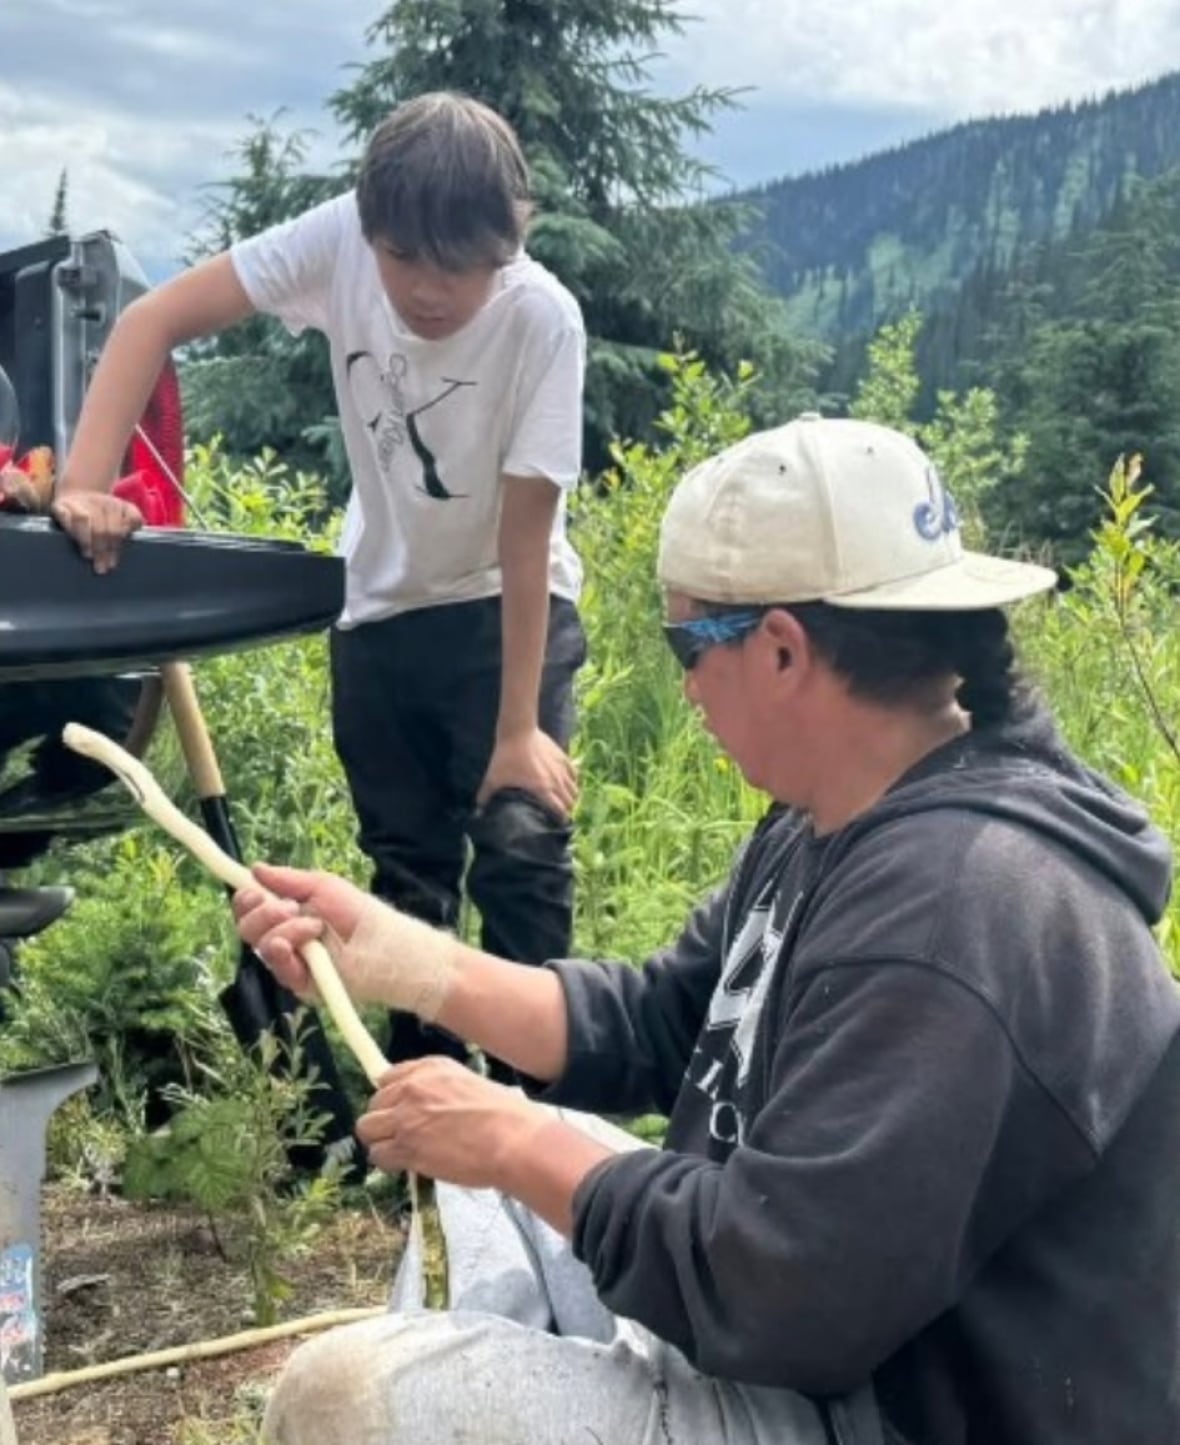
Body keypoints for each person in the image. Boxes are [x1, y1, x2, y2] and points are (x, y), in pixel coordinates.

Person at [234, 413, 1180, 1445]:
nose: (685, 686)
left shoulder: (965, 907)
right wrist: (404, 959)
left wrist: (515, 1138)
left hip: (890, 1403)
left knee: (349, 1398)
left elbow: (787, 1287)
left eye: (689, 643)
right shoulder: (840, 810)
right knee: (481, 1190)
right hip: (799, 1326)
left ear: (780, 647)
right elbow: (666, 1020)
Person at [50, 92, 588, 1069]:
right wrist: (84, 484)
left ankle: (535, 1122)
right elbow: (152, 318)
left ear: (513, 240)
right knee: (407, 869)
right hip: (380, 609)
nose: (426, 288)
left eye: (458, 267)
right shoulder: (338, 240)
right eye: (402, 259)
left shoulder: (542, 320)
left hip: (507, 611)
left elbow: (525, 528)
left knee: (518, 844)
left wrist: (518, 728)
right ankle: (433, 1125)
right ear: (367, 226)